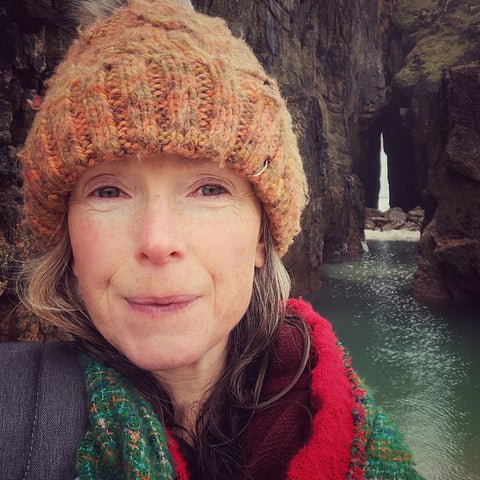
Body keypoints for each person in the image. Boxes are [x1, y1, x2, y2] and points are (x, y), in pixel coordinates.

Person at [6, 0, 423, 478]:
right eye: (108, 190)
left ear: (263, 240)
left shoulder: (360, 441)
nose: (158, 241)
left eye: (209, 188)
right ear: (69, 241)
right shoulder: (15, 424)